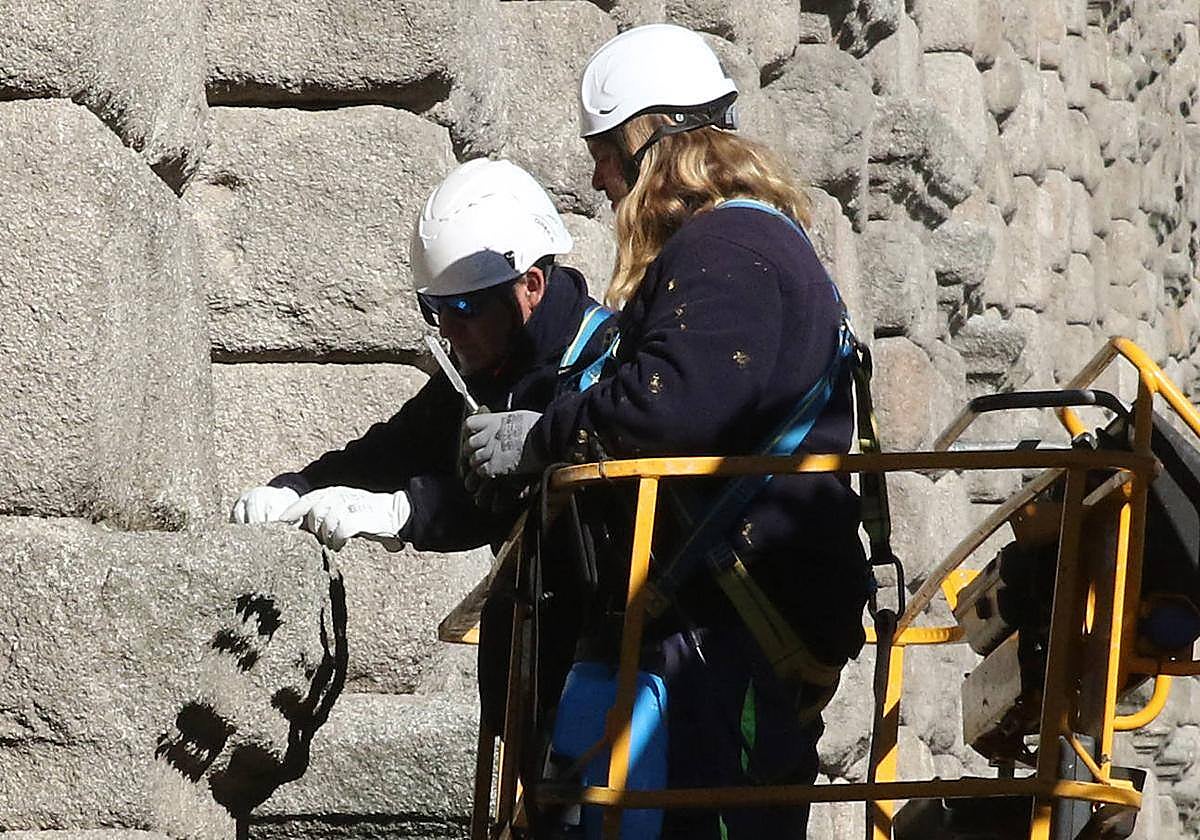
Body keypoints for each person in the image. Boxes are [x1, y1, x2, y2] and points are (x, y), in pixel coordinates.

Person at [462, 24, 872, 838]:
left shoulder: (730, 244)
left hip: (724, 641)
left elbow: (669, 406)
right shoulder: (748, 245)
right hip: (723, 635)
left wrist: (542, 437)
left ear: (645, 140)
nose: (598, 176)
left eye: (605, 154)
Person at [229, 157, 614, 557]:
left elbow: (521, 501)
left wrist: (405, 511)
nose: (447, 329)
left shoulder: (601, 362)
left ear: (530, 287)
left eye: (464, 307)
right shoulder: (493, 362)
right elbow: (395, 450)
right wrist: (297, 488)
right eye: (434, 308)